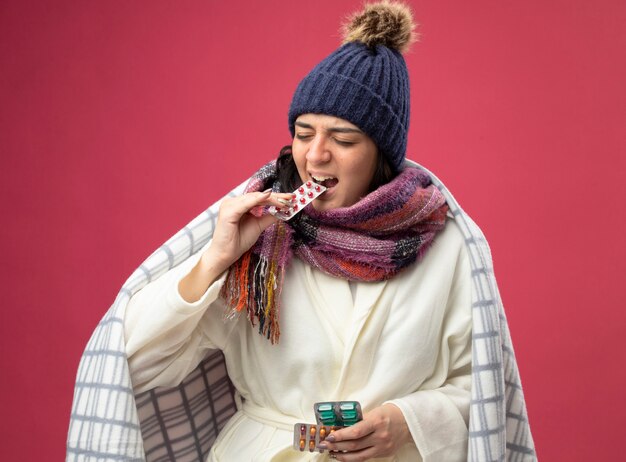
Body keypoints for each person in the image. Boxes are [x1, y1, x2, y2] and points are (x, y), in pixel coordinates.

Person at [67, 2, 535, 461]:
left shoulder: (448, 242)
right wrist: (215, 259)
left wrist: (409, 420)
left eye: (344, 139)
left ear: (381, 153)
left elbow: (486, 389)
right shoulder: (258, 240)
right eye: (303, 132)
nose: (316, 155)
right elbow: (130, 364)